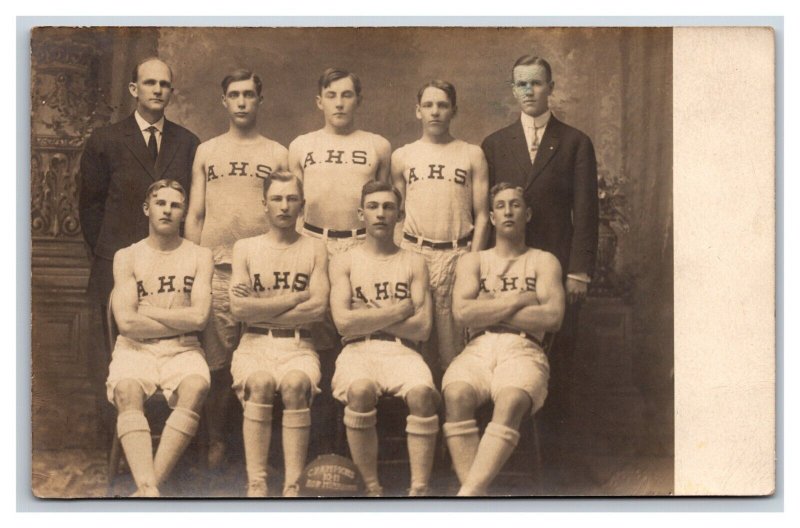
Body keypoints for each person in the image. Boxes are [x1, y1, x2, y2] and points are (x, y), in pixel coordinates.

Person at [480, 55, 598, 482]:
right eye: (521, 85)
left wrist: (578, 272)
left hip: (559, 268)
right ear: (513, 90)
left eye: (536, 84)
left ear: (551, 87)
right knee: (507, 357)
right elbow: (487, 213)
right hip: (509, 270)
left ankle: (560, 464)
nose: (529, 92)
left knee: (561, 361)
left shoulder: (574, 142)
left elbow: (586, 212)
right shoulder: (495, 144)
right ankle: (508, 461)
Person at [79, 57, 200, 429]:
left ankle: (171, 439)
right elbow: (90, 206)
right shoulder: (106, 140)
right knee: (111, 351)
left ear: (171, 91)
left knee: (173, 348)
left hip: (169, 265)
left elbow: (191, 204)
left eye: (164, 84)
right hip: (114, 260)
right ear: (134, 90)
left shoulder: (187, 142)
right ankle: (114, 437)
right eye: (149, 83)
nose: (157, 90)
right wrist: (111, 252)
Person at [185, 69, 289, 468]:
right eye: (235, 95)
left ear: (260, 100)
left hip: (264, 271)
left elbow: (287, 212)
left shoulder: (277, 153)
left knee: (266, 354)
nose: (242, 101)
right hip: (218, 268)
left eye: (249, 94)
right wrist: (196, 265)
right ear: (223, 101)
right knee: (217, 360)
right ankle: (217, 441)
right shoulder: (207, 151)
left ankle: (259, 448)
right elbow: (195, 213)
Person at [288, 68, 391, 452]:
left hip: (360, 244)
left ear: (358, 100)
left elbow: (386, 203)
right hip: (315, 241)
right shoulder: (301, 145)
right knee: (316, 339)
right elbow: (293, 203)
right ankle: (319, 441)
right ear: (320, 101)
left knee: (358, 334)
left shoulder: (378, 145)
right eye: (331, 95)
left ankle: (353, 442)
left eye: (347, 95)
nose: (339, 103)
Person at [442, 182, 565, 496]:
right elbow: (463, 314)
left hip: (525, 348)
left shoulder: (544, 261)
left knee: (511, 400)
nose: (508, 211)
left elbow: (553, 318)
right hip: (479, 347)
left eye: (515, 204)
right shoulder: (474, 261)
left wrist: (488, 306)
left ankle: (467, 495)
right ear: (492, 218)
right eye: (500, 205)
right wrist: (519, 300)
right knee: (456, 394)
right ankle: (477, 496)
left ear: (528, 214)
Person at [329, 181, 439, 497]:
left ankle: (419, 488)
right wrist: (399, 310)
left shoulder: (414, 261)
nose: (381, 214)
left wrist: (371, 317)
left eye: (388, 207)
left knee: (422, 395)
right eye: (374, 207)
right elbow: (343, 324)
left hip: (402, 352)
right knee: (360, 391)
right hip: (357, 350)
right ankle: (371, 486)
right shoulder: (344, 260)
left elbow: (422, 328)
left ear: (399, 214)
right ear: (361, 213)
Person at [106, 179, 213, 497]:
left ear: (183, 213)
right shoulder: (126, 256)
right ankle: (149, 488)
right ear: (146, 209)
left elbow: (199, 318)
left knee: (196, 386)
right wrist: (176, 320)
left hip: (184, 349)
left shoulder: (199, 255)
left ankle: (147, 487)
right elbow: (126, 323)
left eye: (175, 205)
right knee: (126, 391)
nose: (167, 210)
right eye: (160, 203)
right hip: (134, 349)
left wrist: (150, 313)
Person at [227, 170, 329, 498]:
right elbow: (240, 311)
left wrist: (264, 305)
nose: (284, 206)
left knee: (296, 385)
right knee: (259, 384)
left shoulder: (316, 249)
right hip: (253, 343)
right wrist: (296, 297)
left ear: (302, 205)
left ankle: (293, 483)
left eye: (291, 198)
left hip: (299, 345)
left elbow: (316, 311)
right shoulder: (245, 248)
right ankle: (256, 481)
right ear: (264, 205)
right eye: (276, 199)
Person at [391, 80, 490, 378]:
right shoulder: (403, 155)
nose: (435, 111)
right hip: (414, 252)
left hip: (456, 254)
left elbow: (483, 214)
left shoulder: (471, 154)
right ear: (417, 110)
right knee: (410, 346)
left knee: (453, 350)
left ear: (454, 110)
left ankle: (453, 420)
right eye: (428, 105)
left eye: (442, 105)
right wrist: (399, 260)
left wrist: (472, 262)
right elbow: (396, 215)